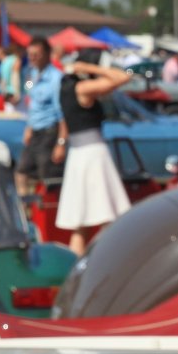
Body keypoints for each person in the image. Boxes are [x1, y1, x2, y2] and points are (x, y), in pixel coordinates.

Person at [55, 51, 133, 256]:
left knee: (81, 223)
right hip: (93, 154)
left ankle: (78, 265)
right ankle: (106, 259)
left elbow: (63, 120)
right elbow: (123, 77)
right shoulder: (83, 88)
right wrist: (89, 68)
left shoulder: (66, 87)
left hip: (78, 154)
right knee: (106, 214)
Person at [15, 40, 66, 196]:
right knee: (22, 171)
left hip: (49, 132)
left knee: (47, 176)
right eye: (30, 54)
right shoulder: (32, 74)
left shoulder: (56, 78)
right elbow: (31, 101)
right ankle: (25, 207)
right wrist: (29, 127)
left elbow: (62, 113)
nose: (32, 58)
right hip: (35, 131)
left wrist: (61, 143)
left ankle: (48, 208)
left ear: (47, 54)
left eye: (36, 55)